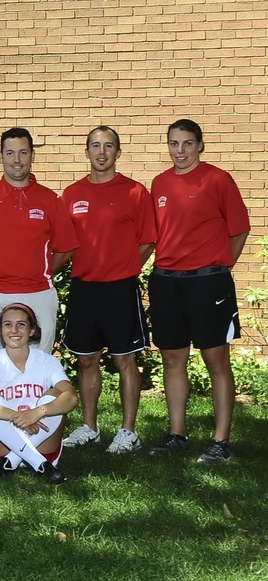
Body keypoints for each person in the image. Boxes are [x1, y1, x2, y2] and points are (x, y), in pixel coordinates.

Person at [148, 118, 251, 463]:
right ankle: (177, 434)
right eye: (174, 144)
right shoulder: (159, 183)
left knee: (215, 359)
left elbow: (239, 230)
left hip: (208, 282)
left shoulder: (218, 179)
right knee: (172, 357)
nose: (180, 151)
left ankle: (220, 442)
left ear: (200, 145)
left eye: (188, 143)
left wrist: (219, 268)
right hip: (166, 281)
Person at [61, 126, 157, 455]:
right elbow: (63, 243)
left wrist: (125, 266)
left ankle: (128, 431)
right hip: (84, 288)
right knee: (86, 360)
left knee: (125, 360)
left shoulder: (134, 192)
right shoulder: (71, 195)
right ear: (86, 152)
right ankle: (89, 427)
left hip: (119, 289)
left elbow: (147, 240)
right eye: (95, 146)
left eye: (109, 146)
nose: (102, 152)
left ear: (118, 152)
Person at [0, 128, 77, 356]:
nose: (16, 160)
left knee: (39, 362)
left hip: (38, 291)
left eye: (23, 153)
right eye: (10, 153)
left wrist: (44, 272)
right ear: (1, 157)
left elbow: (66, 248)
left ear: (32, 155)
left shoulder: (50, 200)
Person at [0, 304, 77, 483]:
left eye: (21, 325)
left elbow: (71, 397)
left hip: (40, 439)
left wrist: (36, 413)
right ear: (1, 329)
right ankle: (40, 464)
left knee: (56, 394)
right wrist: (17, 417)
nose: (14, 330)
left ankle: (11, 461)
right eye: (7, 324)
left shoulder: (47, 361)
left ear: (32, 330)